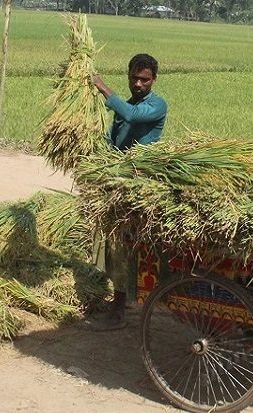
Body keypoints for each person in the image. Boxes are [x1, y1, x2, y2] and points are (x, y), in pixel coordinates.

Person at [89, 53, 168, 331]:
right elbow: (113, 140)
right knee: (111, 243)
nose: (138, 83)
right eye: (134, 78)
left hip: (139, 182)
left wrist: (102, 87)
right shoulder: (127, 104)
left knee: (124, 244)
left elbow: (132, 116)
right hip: (118, 179)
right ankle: (118, 298)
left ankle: (120, 307)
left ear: (153, 80)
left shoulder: (156, 105)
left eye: (144, 79)